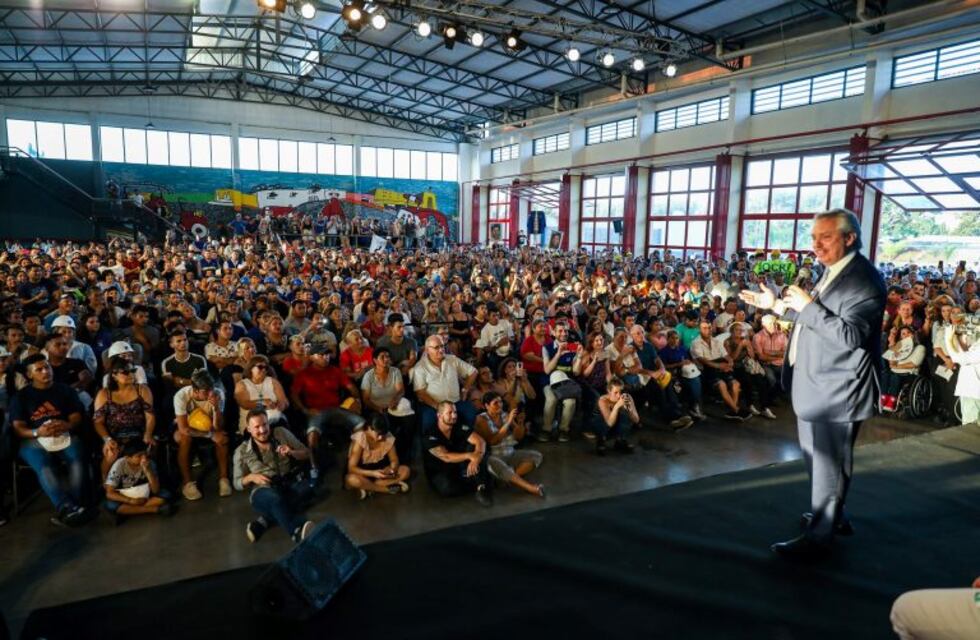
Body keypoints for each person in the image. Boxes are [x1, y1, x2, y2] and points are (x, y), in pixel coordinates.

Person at [740, 209, 886, 558]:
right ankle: (832, 517)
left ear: (849, 238)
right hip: (817, 383)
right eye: (814, 237)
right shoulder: (835, 271)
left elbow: (850, 335)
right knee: (822, 461)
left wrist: (807, 306)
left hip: (836, 388)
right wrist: (777, 305)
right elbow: (815, 318)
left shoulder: (863, 280)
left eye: (826, 237)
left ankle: (820, 538)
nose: (816, 245)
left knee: (828, 464)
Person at [9, 353, 91, 526]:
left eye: (47, 367)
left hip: (63, 433)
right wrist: (37, 432)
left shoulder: (65, 390)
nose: (45, 372)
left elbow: (76, 417)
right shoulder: (21, 397)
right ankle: (66, 507)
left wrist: (67, 425)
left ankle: (77, 504)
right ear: (29, 374)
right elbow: (18, 428)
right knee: (44, 465)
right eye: (39, 369)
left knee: (77, 457)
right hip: (34, 438)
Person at [233, 408, 315, 544]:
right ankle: (296, 532)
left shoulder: (281, 433)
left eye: (265, 424)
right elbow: (236, 483)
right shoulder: (241, 451)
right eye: (257, 427)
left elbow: (306, 453)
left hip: (286, 484)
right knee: (276, 500)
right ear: (248, 429)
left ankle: (263, 521)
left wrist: (292, 452)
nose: (262, 430)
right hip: (263, 490)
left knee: (307, 489)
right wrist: (251, 477)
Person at [173, 370, 231, 501]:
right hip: (189, 428)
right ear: (195, 390)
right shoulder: (181, 396)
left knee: (222, 438)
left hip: (209, 426)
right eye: (206, 391)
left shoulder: (218, 394)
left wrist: (216, 408)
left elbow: (218, 427)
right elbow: (183, 429)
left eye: (211, 388)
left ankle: (224, 479)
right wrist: (210, 435)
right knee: (184, 438)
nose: (210, 393)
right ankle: (187, 483)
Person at [93, 358, 155, 479]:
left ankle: (148, 481)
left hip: (139, 433)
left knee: (147, 451)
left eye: (133, 371)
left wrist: (148, 434)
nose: (131, 374)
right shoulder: (104, 394)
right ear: (114, 375)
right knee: (111, 454)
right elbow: (98, 422)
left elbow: (150, 416)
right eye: (125, 372)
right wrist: (107, 439)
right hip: (114, 435)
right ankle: (105, 481)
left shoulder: (142, 390)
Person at [473, 392, 544, 497]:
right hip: (493, 456)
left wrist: (520, 423)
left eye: (501, 402)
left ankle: (509, 479)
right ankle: (531, 488)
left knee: (536, 456)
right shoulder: (481, 419)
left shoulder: (504, 415)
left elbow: (518, 437)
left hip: (510, 453)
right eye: (495, 403)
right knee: (500, 466)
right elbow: (493, 441)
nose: (500, 405)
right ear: (487, 406)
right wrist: (508, 422)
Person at [423, 401, 493, 506]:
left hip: (459, 464)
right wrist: (470, 456)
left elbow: (480, 441)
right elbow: (446, 457)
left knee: (476, 448)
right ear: (439, 416)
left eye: (455, 412)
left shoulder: (459, 426)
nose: (454, 416)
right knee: (447, 489)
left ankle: (481, 487)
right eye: (449, 413)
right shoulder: (430, 434)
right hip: (440, 470)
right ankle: (480, 480)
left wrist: (477, 457)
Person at [412, 335, 478, 433]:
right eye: (436, 347)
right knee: (428, 422)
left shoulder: (452, 360)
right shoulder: (420, 367)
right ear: (427, 350)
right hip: (433, 405)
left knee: (470, 414)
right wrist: (438, 407)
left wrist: (465, 390)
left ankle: (465, 439)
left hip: (455, 402)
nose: (441, 350)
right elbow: (420, 392)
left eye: (442, 346)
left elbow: (473, 372)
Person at [344, 414, 411, 499]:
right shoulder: (360, 438)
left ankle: (368, 487)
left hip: (380, 473)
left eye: (383, 434)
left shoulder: (387, 437)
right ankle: (385, 489)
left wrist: (391, 470)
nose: (380, 438)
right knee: (352, 479)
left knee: (406, 471)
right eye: (378, 434)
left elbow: (394, 459)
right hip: (362, 473)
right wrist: (372, 473)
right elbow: (351, 468)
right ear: (369, 428)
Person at [103, 442, 173, 522]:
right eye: (139, 456)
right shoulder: (119, 465)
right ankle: (155, 509)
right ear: (127, 458)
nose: (144, 459)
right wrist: (130, 501)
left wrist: (148, 471)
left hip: (144, 496)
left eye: (145, 455)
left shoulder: (149, 463)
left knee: (166, 494)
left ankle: (128, 511)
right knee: (110, 504)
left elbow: (155, 490)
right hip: (126, 498)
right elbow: (109, 493)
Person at [234, 355, 289, 433]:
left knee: (280, 428)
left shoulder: (273, 381)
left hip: (276, 419)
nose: (263, 370)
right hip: (253, 423)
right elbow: (244, 404)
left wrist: (281, 405)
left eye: (266, 368)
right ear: (251, 368)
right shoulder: (242, 384)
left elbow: (284, 401)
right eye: (260, 367)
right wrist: (263, 402)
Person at [944, 310, 980, 425]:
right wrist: (955, 337)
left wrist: (948, 338)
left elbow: (960, 359)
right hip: (970, 388)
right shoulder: (975, 340)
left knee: (971, 426)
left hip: (974, 390)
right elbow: (963, 350)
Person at [594, 377, 638, 455]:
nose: (619, 395)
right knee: (602, 420)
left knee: (625, 416)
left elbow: (636, 420)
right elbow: (609, 423)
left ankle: (620, 440)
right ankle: (601, 440)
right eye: (615, 392)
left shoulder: (626, 397)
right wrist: (617, 407)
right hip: (602, 425)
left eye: (621, 392)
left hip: (615, 424)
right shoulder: (603, 400)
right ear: (609, 391)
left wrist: (629, 409)